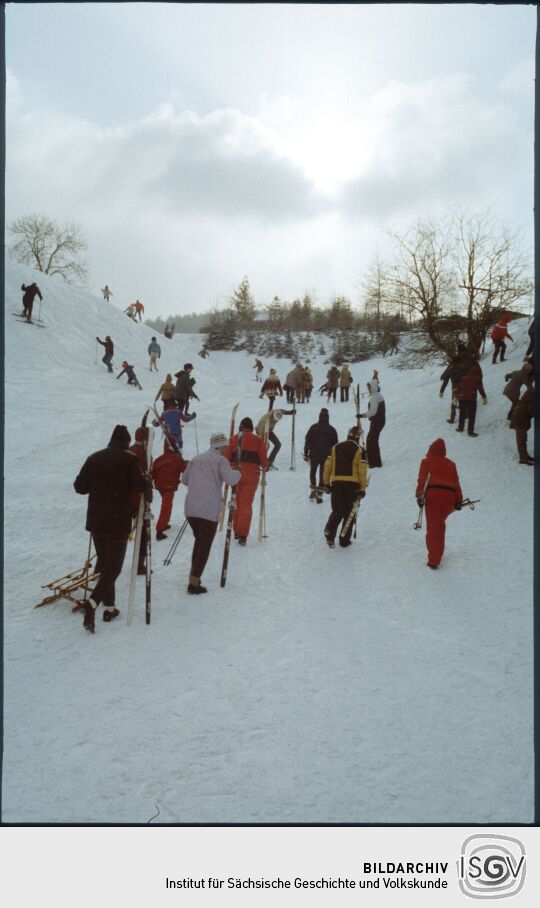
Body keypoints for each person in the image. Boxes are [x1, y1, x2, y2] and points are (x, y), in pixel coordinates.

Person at [74, 424, 149, 632]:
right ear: (126, 443)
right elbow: (140, 487)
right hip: (117, 522)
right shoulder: (129, 459)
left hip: (97, 522)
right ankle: (93, 604)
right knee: (114, 568)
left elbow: (79, 487)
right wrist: (146, 480)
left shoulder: (94, 458)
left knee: (106, 564)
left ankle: (110, 607)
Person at [181, 432, 241, 593]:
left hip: (191, 509)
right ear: (220, 446)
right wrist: (238, 471)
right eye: (226, 446)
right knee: (204, 546)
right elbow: (232, 479)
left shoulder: (196, 459)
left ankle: (194, 577)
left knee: (199, 542)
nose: (227, 448)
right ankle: (194, 583)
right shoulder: (220, 461)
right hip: (208, 510)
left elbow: (184, 480)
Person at [415, 438, 463, 569]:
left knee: (434, 528)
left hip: (433, 497)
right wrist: (459, 500)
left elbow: (422, 481)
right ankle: (437, 555)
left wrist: (419, 496)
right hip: (449, 499)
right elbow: (456, 483)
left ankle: (434, 560)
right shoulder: (451, 464)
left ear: (430, 449)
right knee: (439, 526)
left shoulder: (426, 462)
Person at [322, 426, 368, 548]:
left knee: (338, 510)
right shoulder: (360, 450)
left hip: (336, 483)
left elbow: (328, 465)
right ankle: (344, 540)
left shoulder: (335, 447)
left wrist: (326, 483)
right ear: (358, 437)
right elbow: (362, 471)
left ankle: (329, 531)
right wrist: (362, 489)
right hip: (352, 486)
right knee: (349, 513)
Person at [224, 417, 268, 544]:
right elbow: (264, 461)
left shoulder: (233, 439)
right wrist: (265, 466)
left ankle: (236, 530)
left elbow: (226, 457)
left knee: (235, 501)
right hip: (251, 476)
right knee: (246, 504)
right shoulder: (258, 440)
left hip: (235, 474)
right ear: (251, 427)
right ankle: (243, 534)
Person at [152, 441, 188, 539]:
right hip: (169, 485)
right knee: (166, 507)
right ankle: (159, 530)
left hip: (160, 486)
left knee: (167, 504)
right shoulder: (177, 458)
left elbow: (153, 472)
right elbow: (184, 469)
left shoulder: (159, 459)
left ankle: (165, 523)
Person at [129, 426, 152, 575]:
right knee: (143, 533)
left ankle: (101, 566)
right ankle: (140, 565)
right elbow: (144, 477)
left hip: (125, 499)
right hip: (138, 499)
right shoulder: (143, 453)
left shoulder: (129, 450)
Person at [303, 408, 338, 501]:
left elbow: (308, 440)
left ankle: (314, 490)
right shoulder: (332, 429)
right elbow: (335, 444)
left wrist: (306, 452)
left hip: (314, 454)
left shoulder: (313, 427)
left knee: (312, 472)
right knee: (322, 473)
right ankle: (320, 492)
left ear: (319, 417)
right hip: (326, 455)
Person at [439, 342, 469, 424]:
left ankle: (452, 419)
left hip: (455, 389)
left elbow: (445, 381)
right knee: (463, 401)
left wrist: (441, 391)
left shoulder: (450, 369)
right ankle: (466, 415)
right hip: (464, 388)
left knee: (454, 404)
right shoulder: (464, 368)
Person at [359, 379, 386, 468]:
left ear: (373, 387)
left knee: (371, 441)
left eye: (369, 387)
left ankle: (373, 462)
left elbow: (373, 412)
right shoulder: (377, 396)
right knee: (372, 440)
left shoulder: (375, 397)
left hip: (377, 421)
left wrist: (362, 415)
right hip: (379, 421)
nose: (368, 389)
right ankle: (375, 461)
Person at [455, 365, 487, 437]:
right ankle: (470, 431)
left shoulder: (464, 378)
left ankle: (460, 428)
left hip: (461, 398)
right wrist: (484, 397)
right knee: (472, 415)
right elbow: (480, 389)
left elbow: (459, 388)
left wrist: (456, 397)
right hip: (471, 398)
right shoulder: (477, 379)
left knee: (462, 413)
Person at [510, 386, 535, 465]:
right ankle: (523, 458)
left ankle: (525, 456)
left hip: (521, 417)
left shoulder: (532, 391)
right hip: (520, 418)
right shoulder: (533, 393)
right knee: (521, 438)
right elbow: (531, 408)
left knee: (523, 438)